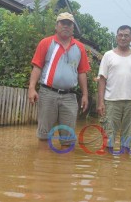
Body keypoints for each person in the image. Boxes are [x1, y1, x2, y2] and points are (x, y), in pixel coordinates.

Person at [28, 12, 90, 149]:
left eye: (69, 24)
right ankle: (42, 168)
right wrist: (31, 88)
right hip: (47, 93)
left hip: (70, 96)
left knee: (68, 139)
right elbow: (37, 67)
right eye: (63, 23)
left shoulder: (80, 47)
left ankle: (65, 169)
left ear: (73, 27)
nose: (66, 26)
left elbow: (82, 72)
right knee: (44, 136)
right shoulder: (46, 43)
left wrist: (85, 95)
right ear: (57, 26)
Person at [97, 25, 131, 154]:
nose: (123, 38)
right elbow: (102, 80)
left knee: (128, 138)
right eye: (120, 35)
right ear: (116, 37)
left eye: (126, 35)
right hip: (111, 101)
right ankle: (108, 171)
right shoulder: (108, 55)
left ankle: (124, 168)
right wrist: (100, 102)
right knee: (108, 138)